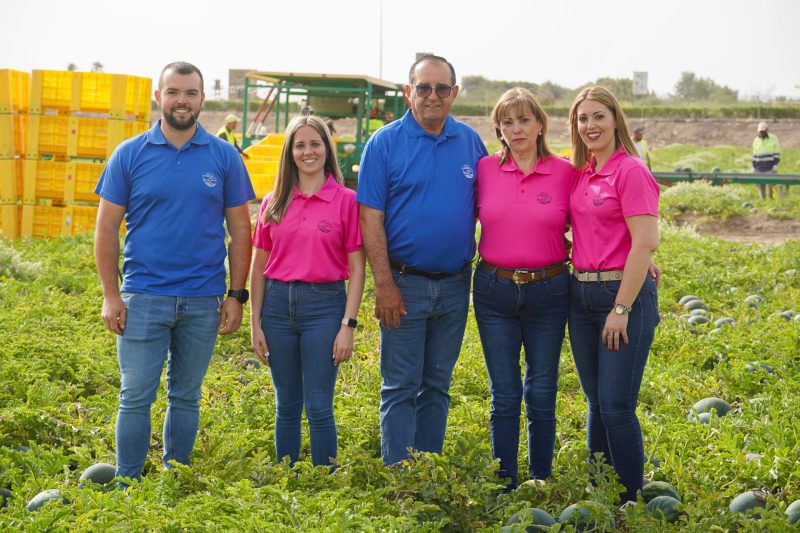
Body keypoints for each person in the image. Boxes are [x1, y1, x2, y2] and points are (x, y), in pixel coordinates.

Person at [94, 61, 255, 481]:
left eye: (190, 93)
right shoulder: (129, 154)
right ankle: (128, 482)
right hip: (143, 297)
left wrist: (236, 295)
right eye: (173, 92)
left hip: (203, 300)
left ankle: (174, 480)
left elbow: (241, 230)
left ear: (202, 99)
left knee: (186, 396)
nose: (182, 101)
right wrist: (111, 294)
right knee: (135, 396)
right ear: (159, 97)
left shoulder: (223, 156)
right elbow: (106, 228)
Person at [357, 54, 488, 466]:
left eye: (441, 88)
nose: (433, 96)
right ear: (408, 92)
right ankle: (399, 474)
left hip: (455, 284)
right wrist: (384, 286)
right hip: (403, 284)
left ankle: (428, 471)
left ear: (454, 93)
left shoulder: (470, 142)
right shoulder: (384, 143)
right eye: (424, 87)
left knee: (437, 384)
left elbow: (498, 206)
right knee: (400, 385)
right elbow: (370, 219)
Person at [474, 88, 578, 488]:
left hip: (548, 291)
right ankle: (504, 482)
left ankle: (540, 478)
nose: (516, 129)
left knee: (542, 389)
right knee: (504, 392)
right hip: (494, 291)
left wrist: (642, 253)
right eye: (507, 122)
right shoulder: (484, 169)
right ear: (498, 129)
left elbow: (595, 222)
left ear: (540, 125)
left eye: (523, 120)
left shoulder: (565, 172)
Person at [250, 114, 365, 467]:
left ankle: (323, 481)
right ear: (290, 152)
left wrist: (348, 325)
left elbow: (358, 269)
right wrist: (255, 324)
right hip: (276, 307)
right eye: (300, 145)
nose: (308, 151)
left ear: (327, 149)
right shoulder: (273, 202)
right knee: (286, 403)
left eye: (315, 144)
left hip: (324, 307)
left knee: (318, 405)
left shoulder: (346, 201)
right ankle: (287, 480)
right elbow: (257, 267)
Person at [567, 86, 660, 504]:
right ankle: (599, 489)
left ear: (615, 120)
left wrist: (621, 308)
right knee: (595, 402)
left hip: (621, 297)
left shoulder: (630, 171)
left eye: (598, 116)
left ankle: (629, 499)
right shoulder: (583, 173)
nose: (590, 125)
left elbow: (645, 242)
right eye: (583, 118)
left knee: (617, 405)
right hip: (581, 294)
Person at [752, 121, 781, 199]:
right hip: (759, 167)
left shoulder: (773, 138)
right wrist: (753, 167)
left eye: (763, 131)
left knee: (771, 185)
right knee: (761, 186)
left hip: (770, 167)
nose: (761, 133)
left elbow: (776, 152)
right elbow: (754, 155)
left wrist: (776, 164)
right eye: (760, 132)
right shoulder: (756, 140)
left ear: (766, 130)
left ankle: (772, 199)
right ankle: (763, 201)